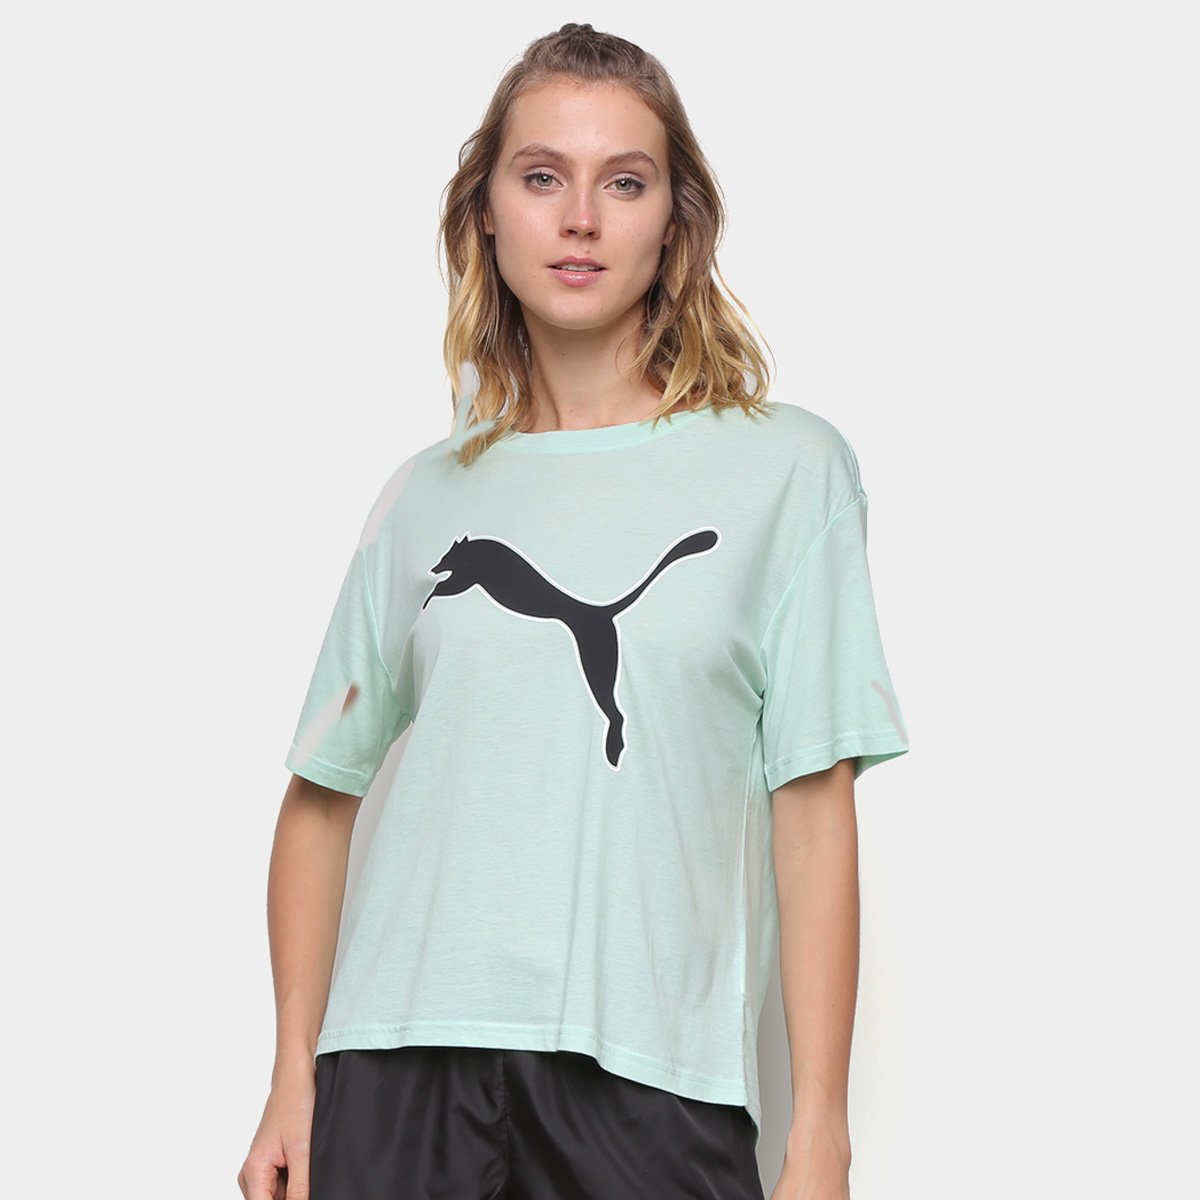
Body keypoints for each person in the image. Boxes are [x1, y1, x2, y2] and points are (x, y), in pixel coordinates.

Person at [238, 22, 909, 1200]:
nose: (582, 219)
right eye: (543, 177)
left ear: (675, 221)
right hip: (395, 1070)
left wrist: (823, 1132)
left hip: (649, 1080)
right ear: (487, 214)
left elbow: (812, 808)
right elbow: (320, 794)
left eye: (625, 182)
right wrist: (293, 1075)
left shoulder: (789, 471)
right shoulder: (424, 494)